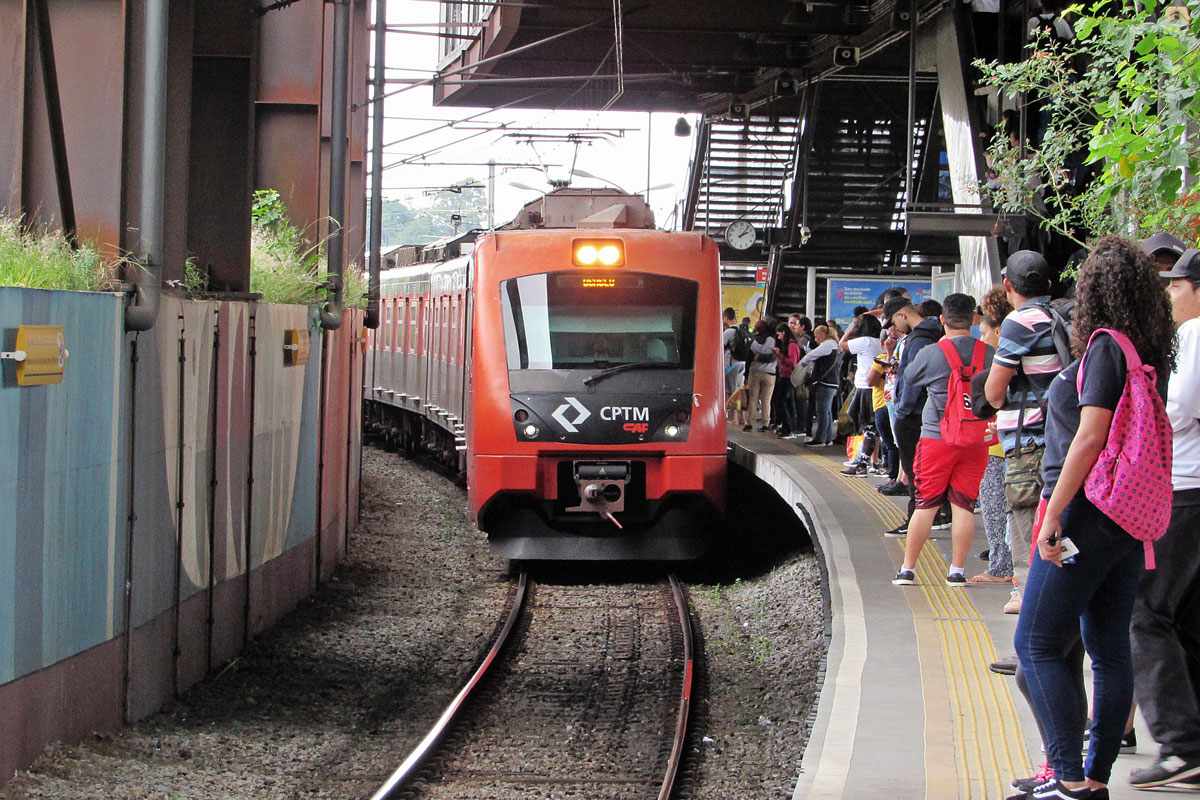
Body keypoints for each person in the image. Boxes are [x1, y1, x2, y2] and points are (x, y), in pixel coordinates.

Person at [1010, 236, 1176, 800]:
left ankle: (1066, 776)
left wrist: (1052, 515)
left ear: (1095, 292)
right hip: (1126, 521)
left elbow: (1090, 435)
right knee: (1107, 649)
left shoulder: (1106, 347)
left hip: (1087, 511)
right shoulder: (1145, 352)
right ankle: (1093, 777)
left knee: (1035, 644)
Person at [1128, 246, 1200, 790]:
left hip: (1183, 491)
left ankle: (1180, 744)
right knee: (1188, 618)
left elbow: (1176, 410)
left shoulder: (1196, 335)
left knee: (1148, 614)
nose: (1169, 294)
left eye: (1176, 285)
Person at [984, 250, 1068, 622]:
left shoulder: (1020, 321)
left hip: (1028, 436)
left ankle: (1027, 591)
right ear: (1047, 284)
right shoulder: (1058, 316)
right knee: (1053, 510)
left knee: (1024, 510)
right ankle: (1055, 588)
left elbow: (994, 392)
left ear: (1008, 286)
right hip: (1059, 429)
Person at [892, 293, 994, 587]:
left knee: (926, 504)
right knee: (963, 504)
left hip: (936, 437)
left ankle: (908, 569)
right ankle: (957, 570)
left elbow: (908, 379)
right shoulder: (987, 354)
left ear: (941, 320)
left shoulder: (932, 353)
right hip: (976, 438)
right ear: (974, 319)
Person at [885, 297, 946, 537]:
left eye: (893, 321)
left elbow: (914, 380)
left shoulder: (918, 340)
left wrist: (902, 409)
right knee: (925, 468)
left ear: (902, 315)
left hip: (914, 413)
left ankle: (916, 519)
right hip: (924, 410)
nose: (893, 327)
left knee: (914, 469)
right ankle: (939, 513)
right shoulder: (932, 333)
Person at [970, 287, 1016, 585]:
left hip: (1003, 443)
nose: (983, 340)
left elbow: (993, 397)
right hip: (1012, 440)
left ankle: (1002, 567)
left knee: (997, 506)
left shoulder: (1005, 358)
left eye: (985, 333)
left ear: (998, 330)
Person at [840, 313, 884, 473]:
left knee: (868, 427)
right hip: (875, 387)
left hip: (865, 388)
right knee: (873, 427)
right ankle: (870, 462)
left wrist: (850, 329)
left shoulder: (865, 341)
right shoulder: (879, 342)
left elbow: (841, 345)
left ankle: (861, 464)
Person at [801, 325, 840, 447]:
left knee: (822, 412)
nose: (815, 338)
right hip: (831, 382)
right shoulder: (833, 344)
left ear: (823, 334)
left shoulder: (828, 344)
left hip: (825, 382)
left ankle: (820, 439)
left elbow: (811, 355)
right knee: (827, 412)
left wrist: (801, 365)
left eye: (816, 335)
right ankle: (827, 438)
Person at [745, 319, 778, 432]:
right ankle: (765, 423)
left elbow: (749, 359)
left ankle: (749, 423)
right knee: (766, 400)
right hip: (770, 374)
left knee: (753, 399)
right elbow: (774, 356)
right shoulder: (774, 340)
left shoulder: (754, 340)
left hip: (755, 372)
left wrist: (746, 374)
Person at [773, 322, 802, 438]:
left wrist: (780, 355)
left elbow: (792, 362)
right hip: (784, 376)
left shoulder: (792, 345)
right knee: (782, 401)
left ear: (784, 333)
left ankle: (788, 428)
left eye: (779, 335)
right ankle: (785, 427)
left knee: (783, 401)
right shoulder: (787, 345)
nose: (778, 338)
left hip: (789, 377)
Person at [722, 307, 749, 405]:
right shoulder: (740, 330)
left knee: (729, 392)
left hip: (730, 365)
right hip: (742, 363)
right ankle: (739, 418)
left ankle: (731, 416)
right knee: (738, 391)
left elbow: (719, 348)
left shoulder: (728, 332)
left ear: (725, 317)